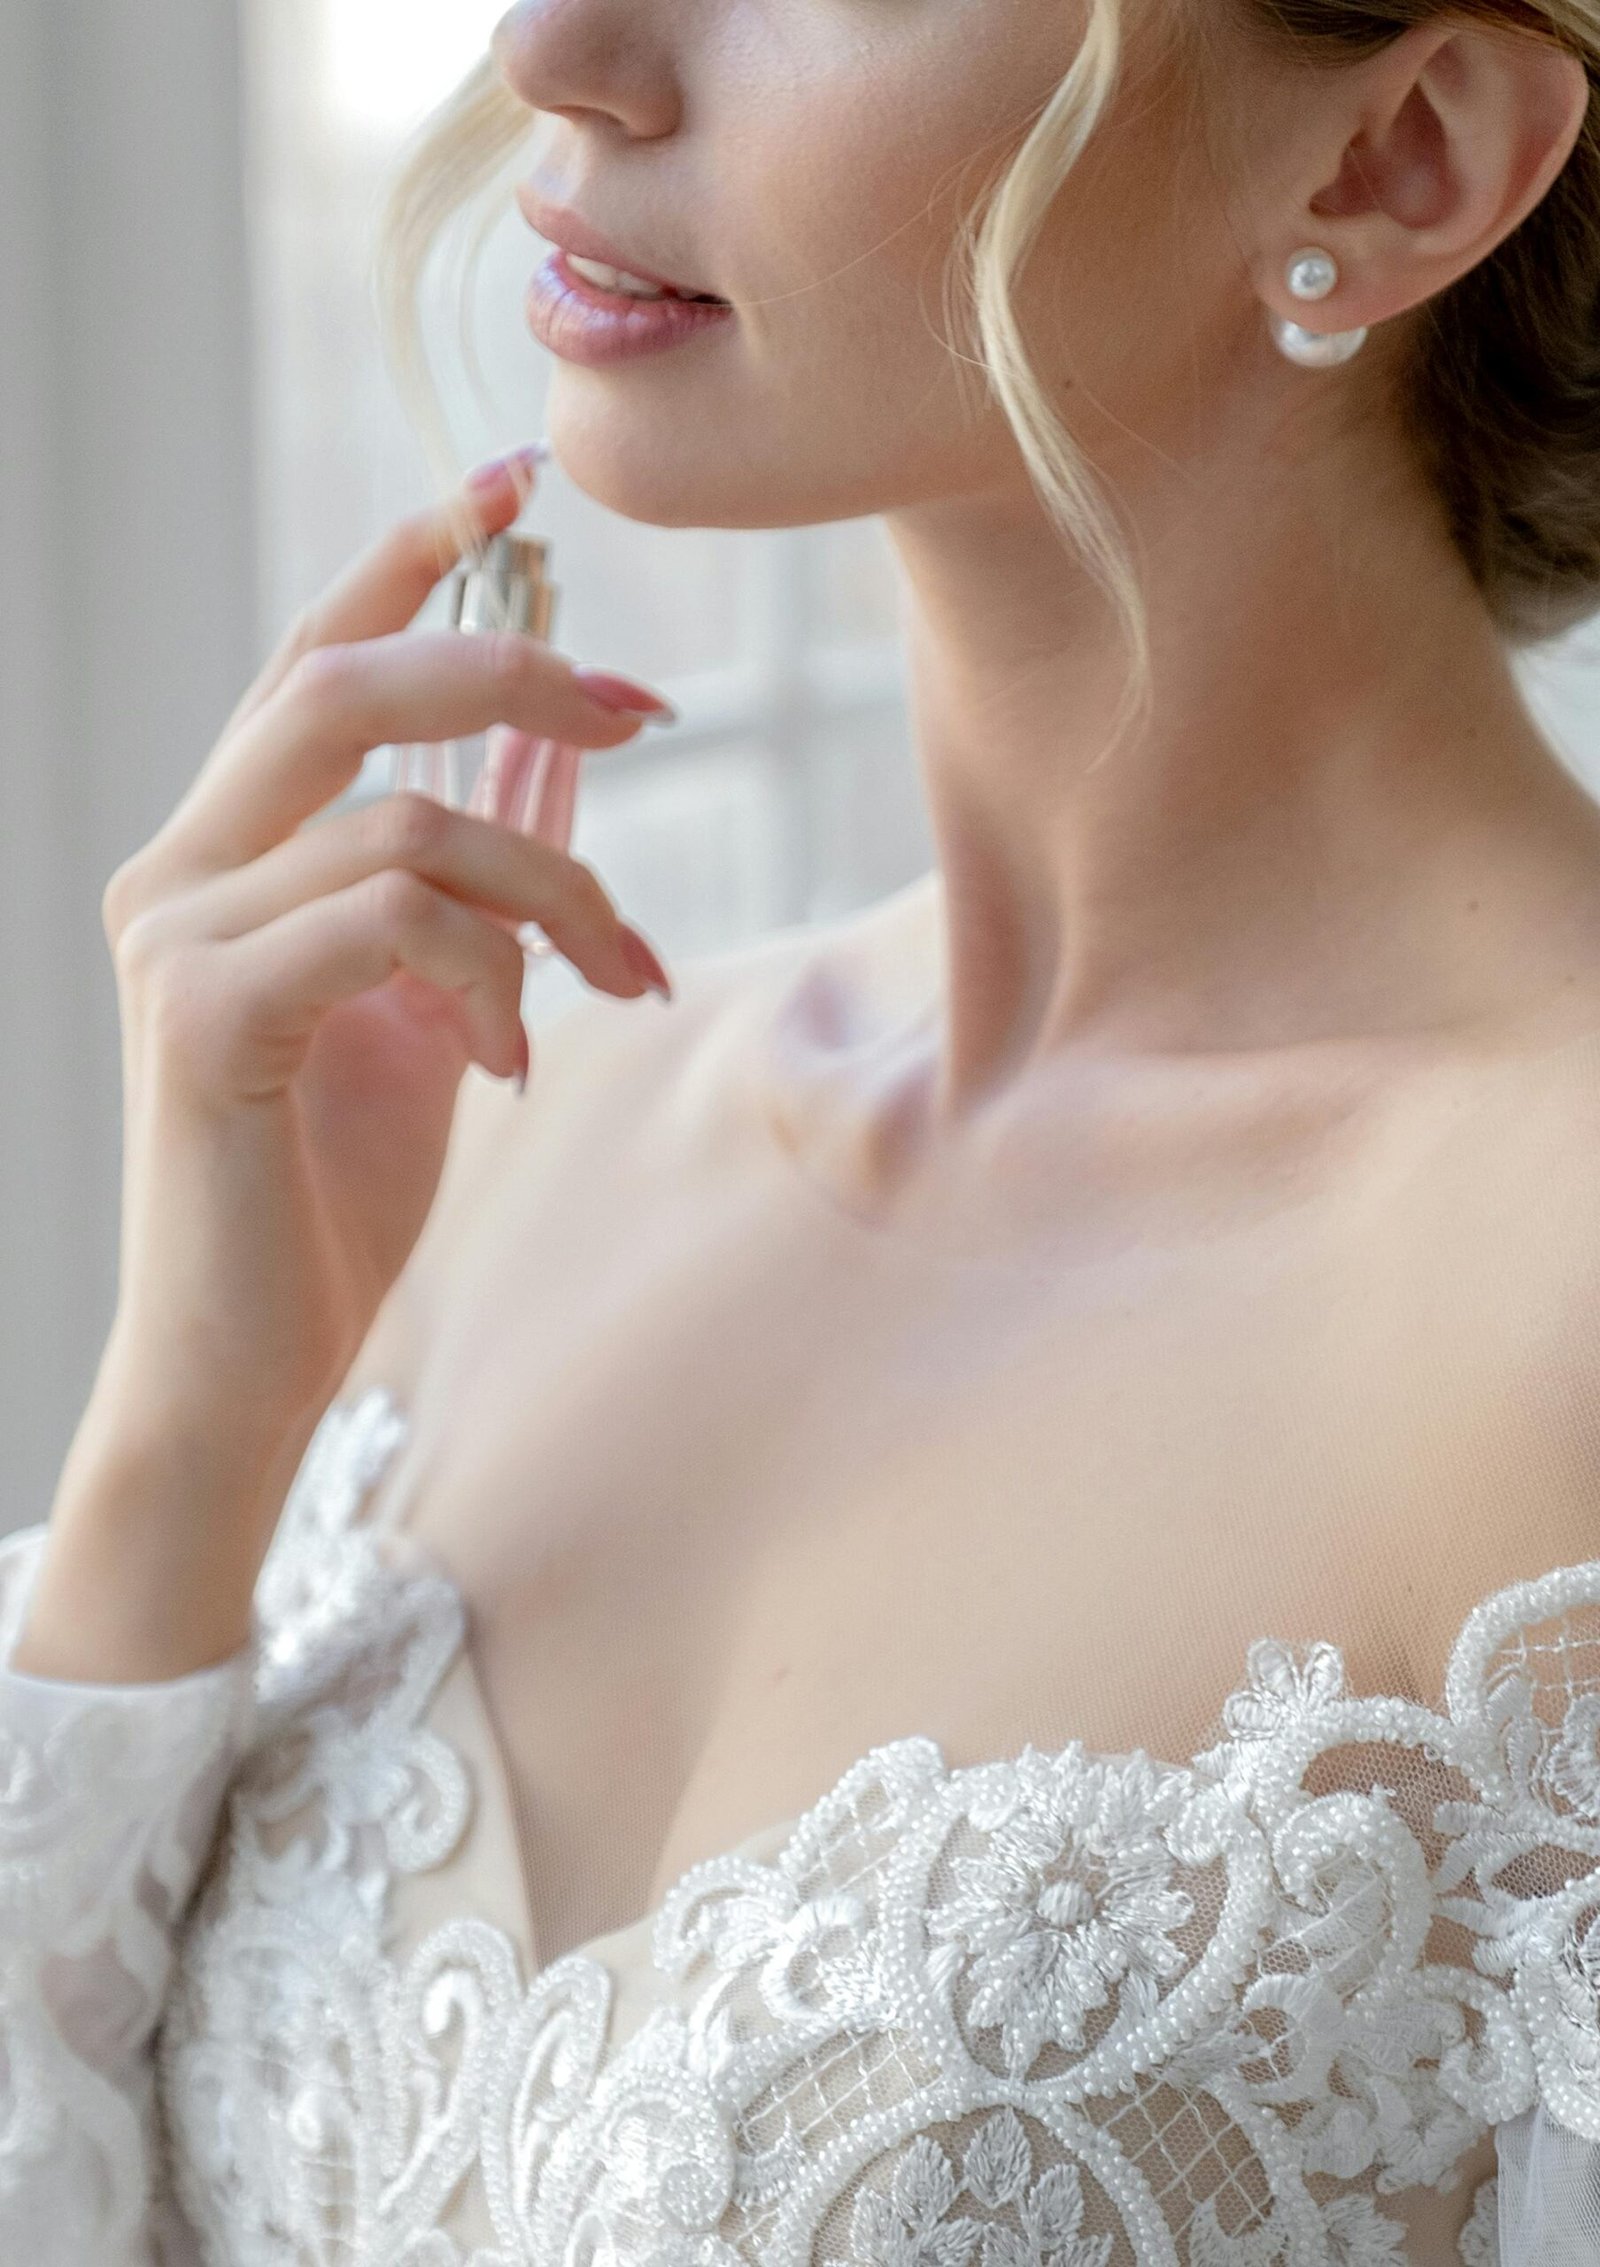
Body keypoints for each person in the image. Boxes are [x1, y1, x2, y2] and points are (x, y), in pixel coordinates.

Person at [6, 0, 1600, 2257]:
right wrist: (178, 1449)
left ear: (1398, 158)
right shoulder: (481, 1129)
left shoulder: (1552, 1306)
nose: (558, 46)